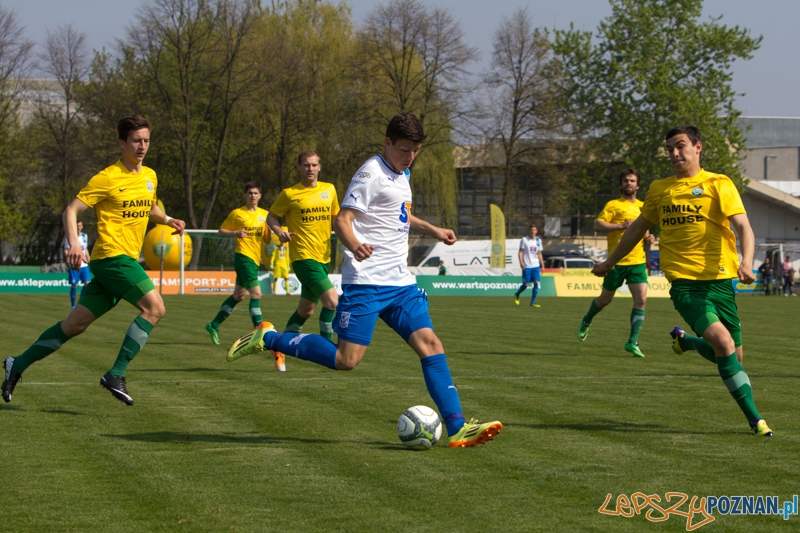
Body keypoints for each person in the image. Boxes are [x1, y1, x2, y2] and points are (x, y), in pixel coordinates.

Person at [227, 112, 502, 448]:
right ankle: (269, 338)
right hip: (367, 281)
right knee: (347, 361)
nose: (410, 157)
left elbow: (400, 214)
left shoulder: (402, 173)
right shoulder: (371, 173)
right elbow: (343, 220)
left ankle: (458, 427)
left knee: (431, 344)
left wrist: (434, 230)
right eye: (404, 150)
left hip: (400, 284)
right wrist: (356, 245)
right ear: (387, 142)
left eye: (415, 151)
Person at [591, 125, 773, 437]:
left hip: (722, 282)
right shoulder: (660, 189)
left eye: (681, 146)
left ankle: (685, 342)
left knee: (732, 356)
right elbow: (635, 231)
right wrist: (609, 262)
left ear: (697, 147)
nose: (674, 153)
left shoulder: (719, 183)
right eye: (670, 149)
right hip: (686, 285)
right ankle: (756, 420)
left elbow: (744, 227)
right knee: (724, 344)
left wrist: (746, 261)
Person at [2, 115, 185, 405]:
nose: (142, 146)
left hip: (119, 262)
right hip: (112, 257)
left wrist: (167, 218)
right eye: (136, 140)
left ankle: (17, 363)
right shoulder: (107, 177)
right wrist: (75, 243)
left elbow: (149, 207)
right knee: (155, 308)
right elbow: (71, 210)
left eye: (146, 140)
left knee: (74, 325)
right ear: (122, 143)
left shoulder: (150, 176)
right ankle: (116, 374)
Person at [577, 169, 655, 357]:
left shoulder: (643, 206)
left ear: (638, 185)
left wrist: (649, 237)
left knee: (641, 300)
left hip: (637, 262)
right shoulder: (613, 205)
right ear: (621, 184)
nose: (629, 183)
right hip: (616, 263)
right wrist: (621, 226)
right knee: (605, 299)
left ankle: (632, 342)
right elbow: (597, 225)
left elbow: (643, 230)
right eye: (626, 180)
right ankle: (587, 319)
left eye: (632, 180)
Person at [267, 150, 340, 342]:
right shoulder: (289, 194)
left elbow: (337, 220)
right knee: (332, 301)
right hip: (303, 257)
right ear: (298, 167)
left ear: (319, 167)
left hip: (324, 257)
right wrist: (279, 232)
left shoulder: (330, 190)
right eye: (306, 165)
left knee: (305, 311)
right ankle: (327, 350)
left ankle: (280, 345)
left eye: (314, 165)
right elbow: (271, 217)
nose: (310, 169)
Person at [205, 183, 271, 347]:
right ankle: (259, 334)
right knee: (256, 294)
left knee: (238, 295)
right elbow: (221, 231)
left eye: (255, 193)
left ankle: (213, 324)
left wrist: (269, 231)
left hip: (254, 260)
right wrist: (235, 233)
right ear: (245, 195)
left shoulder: (265, 215)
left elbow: (267, 240)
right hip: (243, 257)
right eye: (250, 193)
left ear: (260, 195)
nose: (253, 196)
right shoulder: (237, 213)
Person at [513, 223, 544, 307]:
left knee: (536, 282)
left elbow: (539, 253)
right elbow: (520, 252)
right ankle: (517, 294)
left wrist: (542, 265)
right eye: (531, 230)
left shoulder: (538, 241)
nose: (532, 231)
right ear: (529, 231)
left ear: (536, 231)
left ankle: (532, 302)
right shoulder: (524, 240)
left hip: (536, 265)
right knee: (526, 284)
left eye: (534, 230)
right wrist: (521, 262)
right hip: (527, 265)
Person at [64, 220, 91, 309]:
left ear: (82, 226)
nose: (79, 227)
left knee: (87, 283)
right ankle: (73, 305)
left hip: (84, 265)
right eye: (77, 226)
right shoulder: (70, 237)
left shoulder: (84, 236)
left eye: (80, 225)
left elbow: (85, 248)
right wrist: (68, 258)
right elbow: (66, 249)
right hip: (75, 264)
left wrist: (88, 257)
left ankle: (80, 303)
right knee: (74, 285)